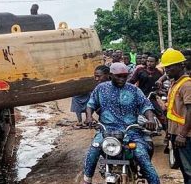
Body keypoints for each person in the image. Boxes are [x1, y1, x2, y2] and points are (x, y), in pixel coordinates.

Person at [82, 63, 159, 184]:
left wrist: (150, 119)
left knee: (143, 157)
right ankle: (87, 179)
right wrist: (89, 117)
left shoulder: (134, 89)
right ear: (111, 75)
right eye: (118, 76)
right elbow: (90, 104)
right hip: (106, 131)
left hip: (131, 132)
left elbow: (146, 106)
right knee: (94, 149)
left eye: (125, 76)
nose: (122, 79)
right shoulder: (101, 88)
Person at [161, 48, 191, 183]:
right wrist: (169, 132)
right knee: (185, 171)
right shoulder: (175, 83)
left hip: (185, 136)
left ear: (181, 65)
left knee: (189, 170)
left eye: (169, 67)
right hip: (176, 133)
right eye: (165, 68)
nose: (166, 71)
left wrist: (183, 134)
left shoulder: (187, 85)